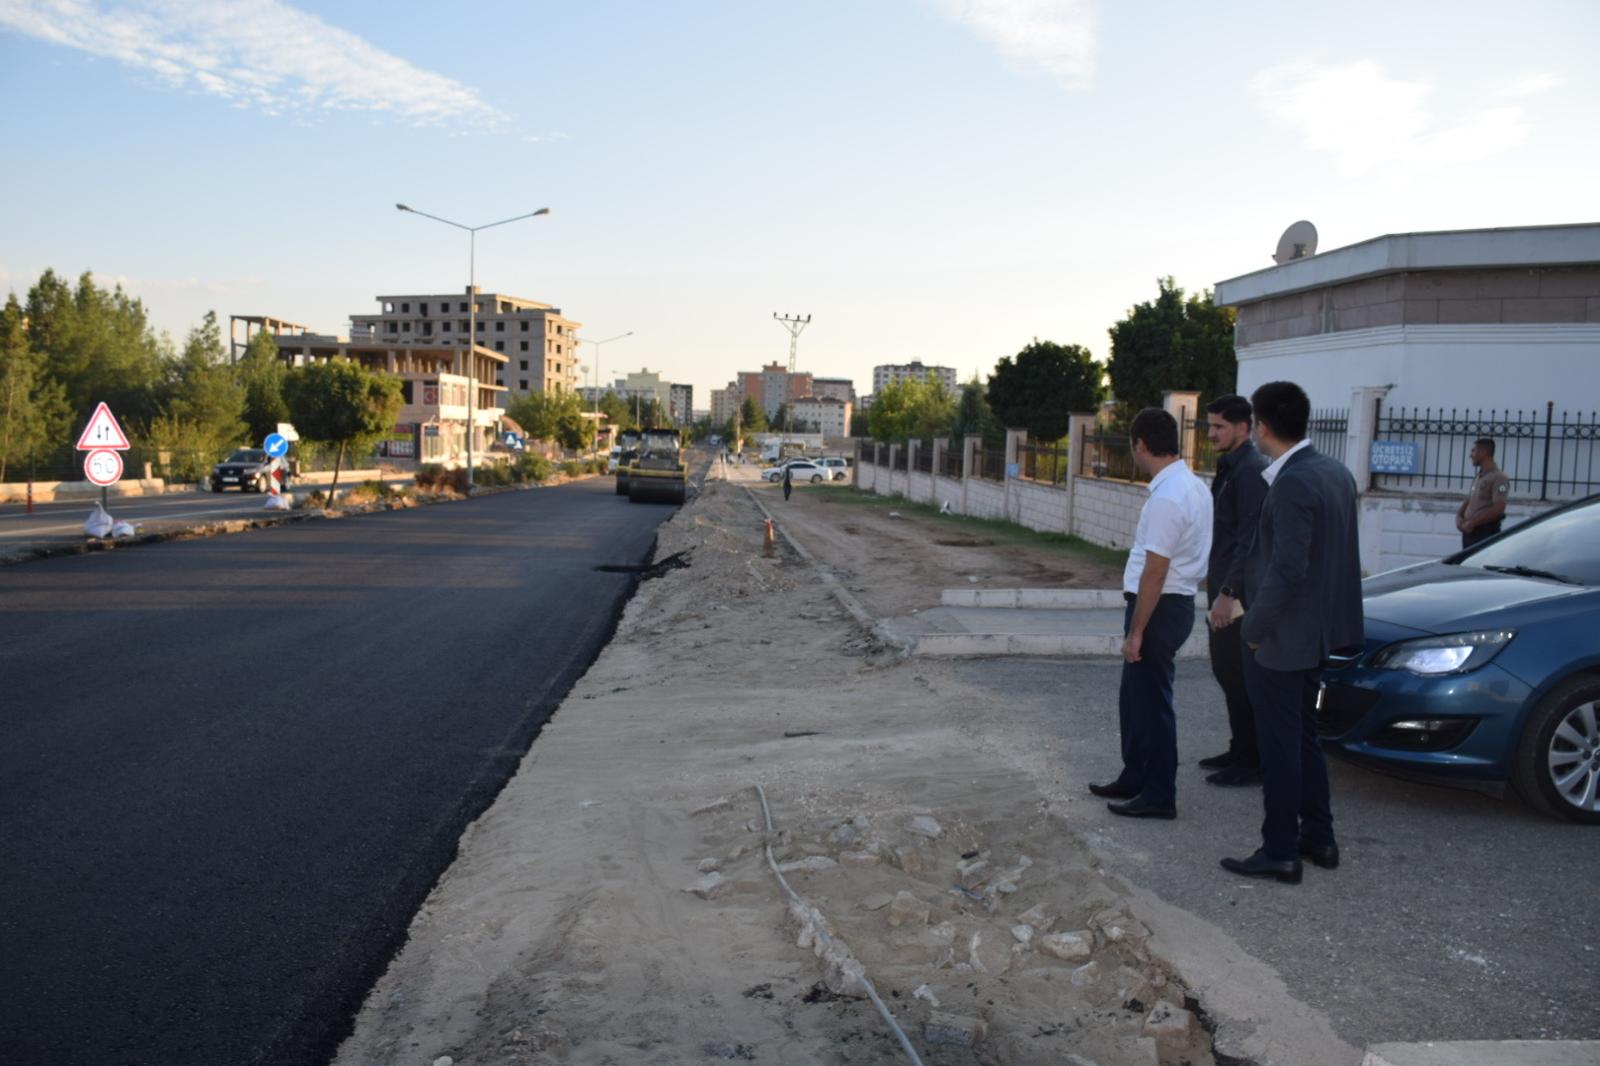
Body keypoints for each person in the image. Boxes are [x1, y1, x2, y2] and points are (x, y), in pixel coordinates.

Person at [1221, 381, 1362, 885]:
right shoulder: (1335, 472)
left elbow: (1288, 569)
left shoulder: (1295, 482)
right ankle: (1318, 838)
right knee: (1303, 739)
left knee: (1281, 747)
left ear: (1260, 426)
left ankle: (1280, 849)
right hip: (1315, 636)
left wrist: (1253, 629)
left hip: (1282, 640)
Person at [1088, 408, 1212, 820]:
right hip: (1170, 604)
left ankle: (1160, 794)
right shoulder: (1190, 486)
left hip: (1160, 608)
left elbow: (1155, 571)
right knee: (1136, 698)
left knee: (1153, 703)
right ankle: (1135, 775)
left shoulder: (1171, 496)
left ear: (1141, 445)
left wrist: (1137, 630)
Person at [1201, 395, 1270, 788]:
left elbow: (1249, 540)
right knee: (1226, 673)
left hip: (1238, 594)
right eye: (1209, 426)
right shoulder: (1230, 467)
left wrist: (1228, 592)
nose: (1211, 434)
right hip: (1222, 587)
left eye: (1219, 427)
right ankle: (1239, 747)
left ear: (1243, 428)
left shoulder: (1249, 472)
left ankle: (1251, 760)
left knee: (1240, 676)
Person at [1456, 438, 1509, 549]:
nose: (1471, 455)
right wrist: (1459, 517)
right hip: (1470, 533)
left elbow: (1498, 509)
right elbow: (1469, 500)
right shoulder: (1479, 476)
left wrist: (1472, 523)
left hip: (1484, 533)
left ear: (1483, 453)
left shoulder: (1499, 478)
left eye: (1473, 451)